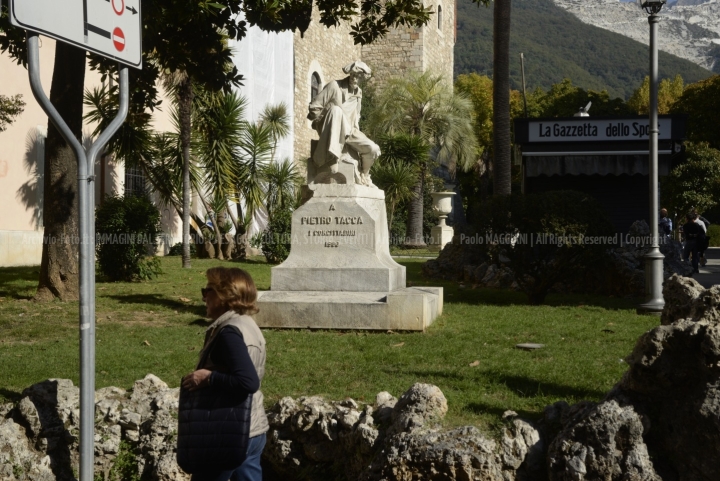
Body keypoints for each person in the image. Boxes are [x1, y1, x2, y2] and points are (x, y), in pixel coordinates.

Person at [182, 267, 268, 481]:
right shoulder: (248, 325)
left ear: (225, 295)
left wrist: (208, 377)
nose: (203, 296)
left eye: (208, 290)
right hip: (253, 430)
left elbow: (248, 382)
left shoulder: (229, 332)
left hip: (227, 432)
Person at [307, 60, 381, 186]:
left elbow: (355, 117)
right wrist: (326, 115)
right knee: (336, 110)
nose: (355, 79)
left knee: (373, 149)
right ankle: (333, 157)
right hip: (330, 126)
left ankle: (365, 175)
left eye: (358, 77)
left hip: (349, 130)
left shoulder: (359, 94)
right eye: (353, 75)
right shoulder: (334, 86)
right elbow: (314, 108)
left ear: (363, 79)